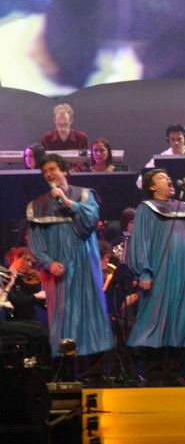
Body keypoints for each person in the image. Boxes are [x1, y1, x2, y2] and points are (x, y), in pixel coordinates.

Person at [27, 153, 114, 376]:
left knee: (89, 312)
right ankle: (66, 372)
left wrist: (67, 202)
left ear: (64, 171)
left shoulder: (84, 195)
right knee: (63, 316)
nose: (49, 174)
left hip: (84, 264)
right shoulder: (38, 205)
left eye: (53, 169)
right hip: (59, 270)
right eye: (45, 172)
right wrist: (48, 263)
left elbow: (88, 223)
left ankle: (94, 372)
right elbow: (36, 242)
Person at [126, 169, 185, 386]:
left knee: (181, 317)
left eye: (168, 177)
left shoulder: (184, 208)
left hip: (184, 272)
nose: (168, 179)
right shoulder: (147, 209)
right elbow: (140, 240)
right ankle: (154, 372)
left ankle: (174, 371)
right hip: (160, 272)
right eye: (161, 178)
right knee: (155, 317)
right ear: (152, 186)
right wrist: (144, 271)